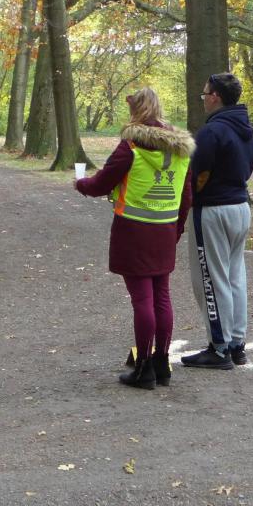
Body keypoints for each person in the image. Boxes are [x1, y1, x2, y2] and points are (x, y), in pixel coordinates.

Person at [74, 88, 194, 389]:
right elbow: (186, 195)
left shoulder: (131, 146)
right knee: (162, 296)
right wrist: (177, 229)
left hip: (133, 232)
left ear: (135, 110)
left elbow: (102, 184)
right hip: (164, 229)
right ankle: (161, 362)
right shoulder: (181, 150)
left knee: (142, 299)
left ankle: (143, 370)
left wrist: (80, 184)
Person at [181, 73, 253, 370]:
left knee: (211, 278)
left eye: (205, 94)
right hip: (240, 206)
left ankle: (220, 347)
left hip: (213, 209)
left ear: (215, 97)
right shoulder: (245, 129)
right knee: (235, 275)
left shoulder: (211, 131)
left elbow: (196, 173)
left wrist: (191, 198)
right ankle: (236, 343)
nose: (203, 99)